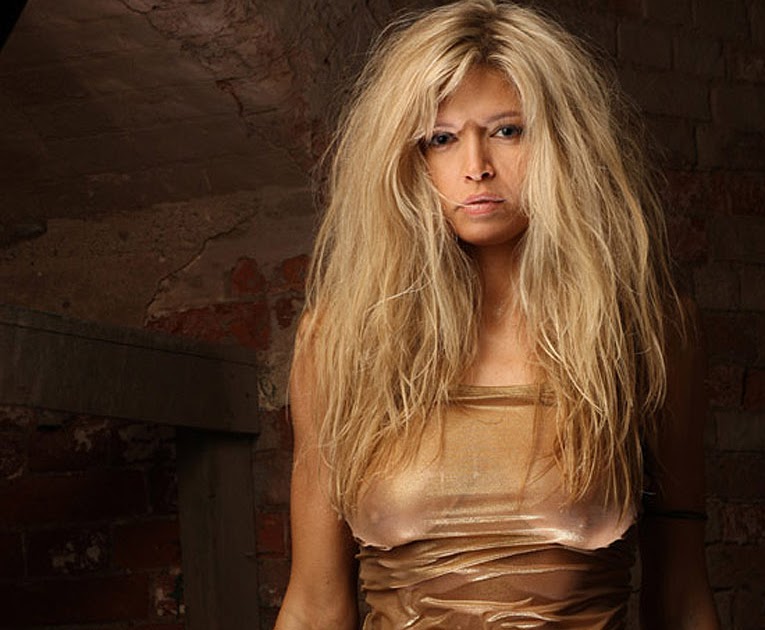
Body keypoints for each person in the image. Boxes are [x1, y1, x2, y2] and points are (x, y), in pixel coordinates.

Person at [274, 1, 719, 628]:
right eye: (442, 138)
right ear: (410, 160)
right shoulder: (340, 340)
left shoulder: (649, 333)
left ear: (564, 144)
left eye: (508, 131)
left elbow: (681, 596)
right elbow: (316, 605)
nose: (476, 167)